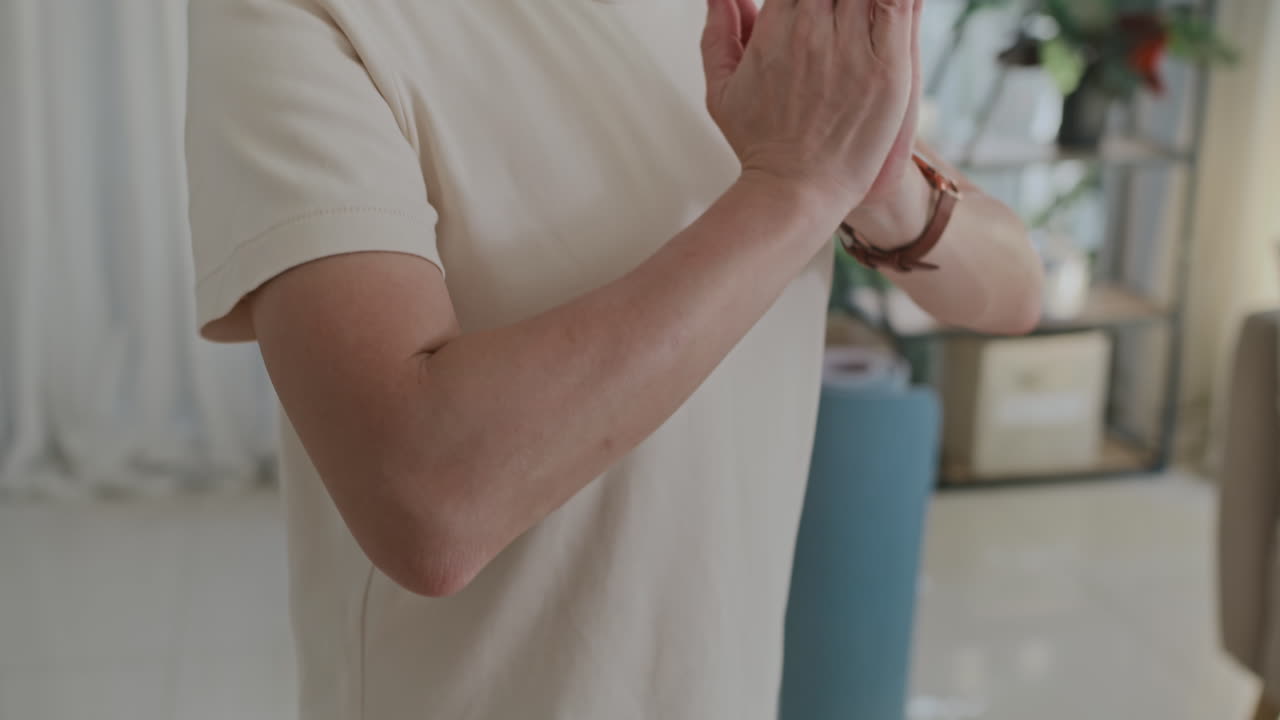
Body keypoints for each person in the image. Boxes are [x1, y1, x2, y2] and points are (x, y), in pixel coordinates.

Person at [186, 0, 1041, 717]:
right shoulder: (296, 15)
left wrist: (882, 191)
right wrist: (796, 191)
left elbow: (1015, 285)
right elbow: (424, 500)